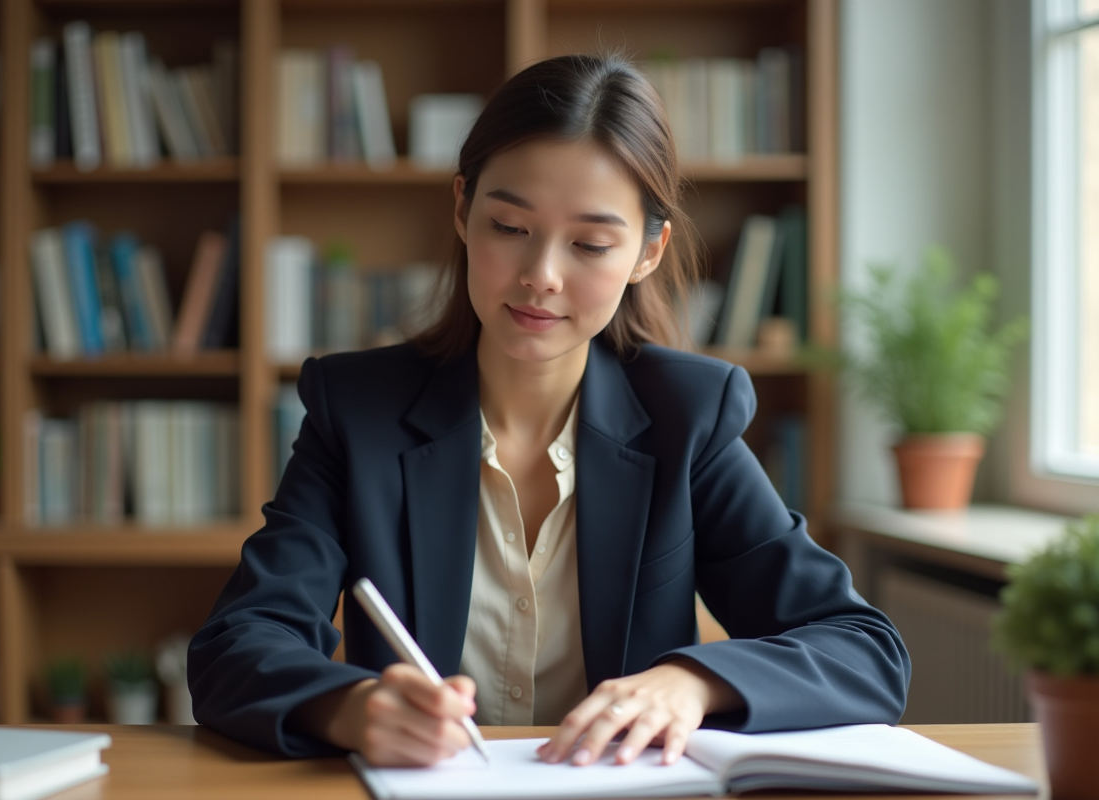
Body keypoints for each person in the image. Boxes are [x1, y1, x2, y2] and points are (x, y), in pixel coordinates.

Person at [188, 53, 910, 768]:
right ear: (463, 210)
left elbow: (863, 651)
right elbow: (237, 646)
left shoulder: (688, 418)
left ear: (648, 252)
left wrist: (690, 683)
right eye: (509, 227)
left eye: (592, 243)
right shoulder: (358, 412)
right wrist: (352, 709)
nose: (541, 277)